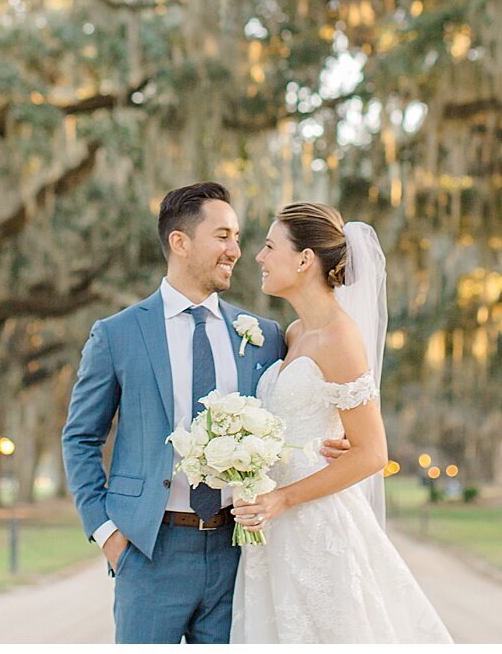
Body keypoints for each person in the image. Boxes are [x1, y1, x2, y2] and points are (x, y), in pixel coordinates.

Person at [61, 182, 351, 644]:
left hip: (238, 551)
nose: (238, 250)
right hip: (149, 550)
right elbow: (79, 438)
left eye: (237, 237)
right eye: (223, 237)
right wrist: (109, 535)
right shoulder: (117, 335)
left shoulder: (265, 334)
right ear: (180, 242)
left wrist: (329, 439)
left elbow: (302, 405)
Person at [230, 203, 452, 643]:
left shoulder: (341, 337)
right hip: (272, 529)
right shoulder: (293, 333)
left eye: (270, 246)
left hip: (314, 524)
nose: (258, 256)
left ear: (304, 259)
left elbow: (373, 453)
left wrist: (284, 498)